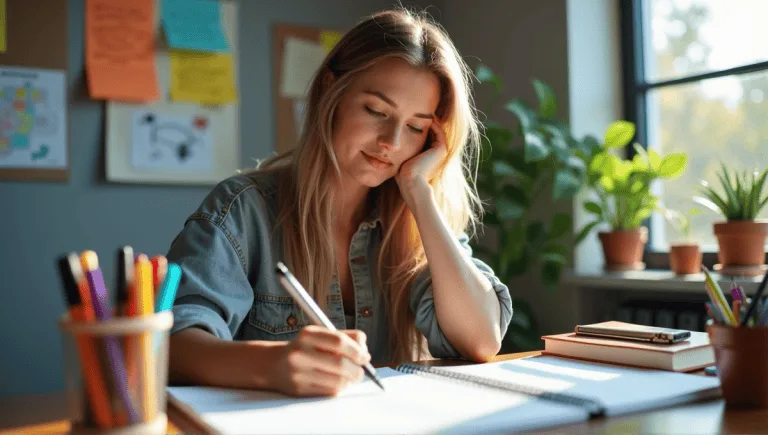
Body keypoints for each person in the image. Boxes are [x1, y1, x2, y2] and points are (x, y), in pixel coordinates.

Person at [166, 7, 513, 398]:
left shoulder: (416, 220)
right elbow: (173, 347)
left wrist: (418, 190)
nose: (392, 143)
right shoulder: (242, 210)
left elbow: (482, 341)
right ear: (332, 89)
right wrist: (272, 365)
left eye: (416, 127)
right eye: (376, 111)